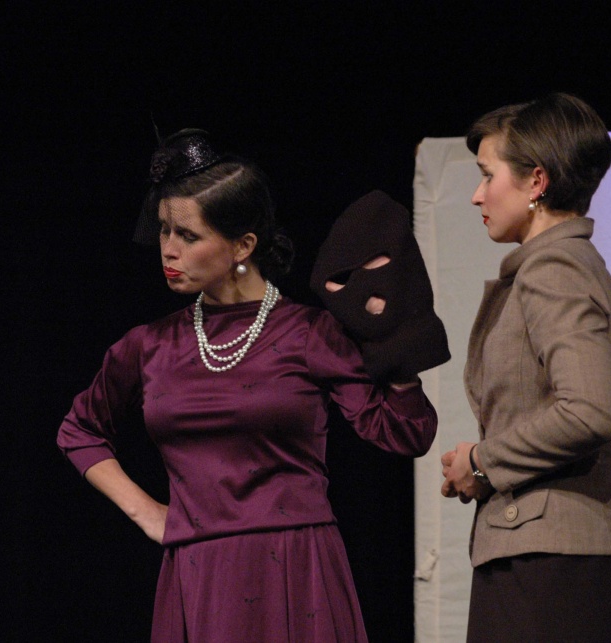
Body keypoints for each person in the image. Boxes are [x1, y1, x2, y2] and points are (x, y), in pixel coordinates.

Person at [57, 129, 439, 642]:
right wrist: (147, 512)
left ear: (243, 245)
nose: (168, 249)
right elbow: (79, 430)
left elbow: (404, 434)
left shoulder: (308, 334)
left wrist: (400, 348)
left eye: (188, 236)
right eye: (165, 230)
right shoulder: (149, 345)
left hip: (295, 570)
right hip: (199, 570)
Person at [440, 93, 611, 642]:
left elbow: (589, 410)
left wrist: (482, 461)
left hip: (550, 574)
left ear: (536, 181)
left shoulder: (553, 267)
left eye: (487, 175)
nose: (477, 195)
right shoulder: (565, 265)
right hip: (555, 565)